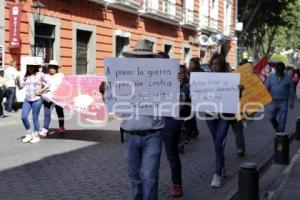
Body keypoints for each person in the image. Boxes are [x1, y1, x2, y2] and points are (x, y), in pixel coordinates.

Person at [102, 39, 182, 200]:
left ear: (151, 59)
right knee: (135, 177)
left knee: (149, 176)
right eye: (137, 56)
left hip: (153, 134)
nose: (141, 59)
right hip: (129, 134)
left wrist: (178, 84)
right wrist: (105, 93)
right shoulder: (122, 77)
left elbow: (176, 105)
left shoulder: (162, 78)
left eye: (145, 56)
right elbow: (114, 106)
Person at [205, 53, 241, 188]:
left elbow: (236, 97)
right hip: (210, 115)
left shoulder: (230, 79)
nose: (214, 67)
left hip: (225, 115)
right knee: (217, 142)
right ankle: (222, 165)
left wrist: (239, 90)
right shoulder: (204, 78)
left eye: (217, 64)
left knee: (219, 140)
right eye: (212, 64)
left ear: (221, 66)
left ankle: (217, 173)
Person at [158, 52, 187, 197]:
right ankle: (150, 184)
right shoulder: (146, 77)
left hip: (170, 121)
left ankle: (177, 184)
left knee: (172, 155)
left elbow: (181, 106)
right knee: (151, 158)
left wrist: (180, 86)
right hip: (152, 123)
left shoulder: (177, 79)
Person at [19, 57, 49, 144]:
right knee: (23, 117)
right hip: (27, 99)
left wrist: (41, 91)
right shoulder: (26, 75)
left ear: (35, 67)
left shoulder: (40, 74)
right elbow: (21, 87)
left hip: (37, 99)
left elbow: (49, 84)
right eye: (29, 66)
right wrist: (17, 81)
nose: (30, 68)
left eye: (32, 66)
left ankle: (36, 136)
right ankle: (29, 133)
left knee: (35, 117)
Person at [265, 62, 294, 133]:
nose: (279, 72)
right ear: (275, 69)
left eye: (281, 70)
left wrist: (292, 101)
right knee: (271, 117)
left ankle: (280, 134)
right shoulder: (271, 77)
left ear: (283, 70)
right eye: (278, 70)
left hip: (283, 101)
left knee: (282, 119)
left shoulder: (288, 78)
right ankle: (277, 126)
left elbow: (291, 91)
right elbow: (266, 88)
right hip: (273, 101)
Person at [40, 60, 65, 137]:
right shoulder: (45, 76)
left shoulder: (61, 75)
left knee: (59, 112)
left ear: (57, 68)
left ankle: (61, 127)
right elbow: (42, 86)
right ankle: (45, 129)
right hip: (48, 97)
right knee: (47, 113)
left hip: (58, 97)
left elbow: (66, 85)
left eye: (54, 67)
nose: (52, 69)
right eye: (50, 67)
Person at [183, 57, 203, 141]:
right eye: (189, 63)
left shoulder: (201, 72)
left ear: (196, 64)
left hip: (196, 96)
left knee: (190, 115)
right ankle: (194, 131)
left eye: (192, 64)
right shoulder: (187, 72)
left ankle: (189, 134)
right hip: (187, 96)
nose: (190, 65)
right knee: (190, 115)